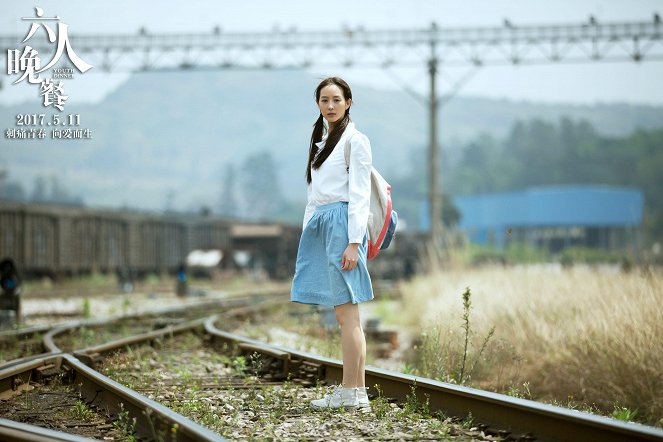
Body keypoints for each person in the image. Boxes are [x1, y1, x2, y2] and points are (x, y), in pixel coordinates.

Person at [291, 77, 374, 409]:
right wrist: (307, 231)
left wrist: (354, 242)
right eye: (324, 100)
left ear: (349, 102)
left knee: (347, 315)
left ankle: (353, 392)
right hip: (323, 224)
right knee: (345, 315)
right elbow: (314, 195)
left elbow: (359, 196)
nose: (330, 105)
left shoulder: (356, 140)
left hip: (342, 225)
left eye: (336, 100)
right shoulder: (321, 140)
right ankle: (354, 391)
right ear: (318, 104)